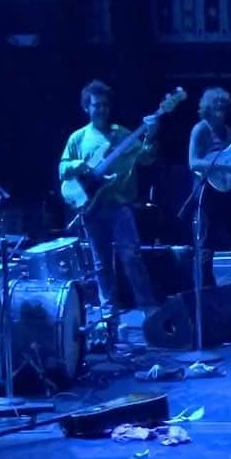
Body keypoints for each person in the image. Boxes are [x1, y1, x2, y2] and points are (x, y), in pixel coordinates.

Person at [59, 80, 159, 317]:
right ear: (87, 107)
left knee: (131, 257)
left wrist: (151, 135)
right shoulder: (78, 138)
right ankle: (108, 317)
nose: (101, 109)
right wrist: (77, 164)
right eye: (96, 105)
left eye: (105, 105)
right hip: (91, 208)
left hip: (119, 205)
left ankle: (149, 311)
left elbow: (146, 158)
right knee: (101, 265)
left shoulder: (122, 135)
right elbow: (62, 170)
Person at [187, 87, 231, 294]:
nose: (222, 112)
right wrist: (227, 168)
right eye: (217, 107)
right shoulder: (201, 129)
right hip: (205, 192)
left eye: (224, 107)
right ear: (207, 108)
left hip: (224, 191)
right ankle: (207, 288)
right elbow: (193, 162)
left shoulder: (227, 131)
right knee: (206, 242)